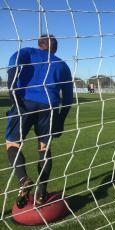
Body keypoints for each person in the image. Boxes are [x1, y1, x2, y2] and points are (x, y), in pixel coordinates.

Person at [6, 34, 73, 208]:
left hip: (24, 104)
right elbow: (67, 98)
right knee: (44, 147)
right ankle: (42, 193)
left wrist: (12, 89)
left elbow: (13, 65)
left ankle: (23, 180)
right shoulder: (63, 65)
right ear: (56, 48)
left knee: (12, 144)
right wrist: (61, 120)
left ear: (39, 44)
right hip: (49, 107)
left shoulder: (27, 52)